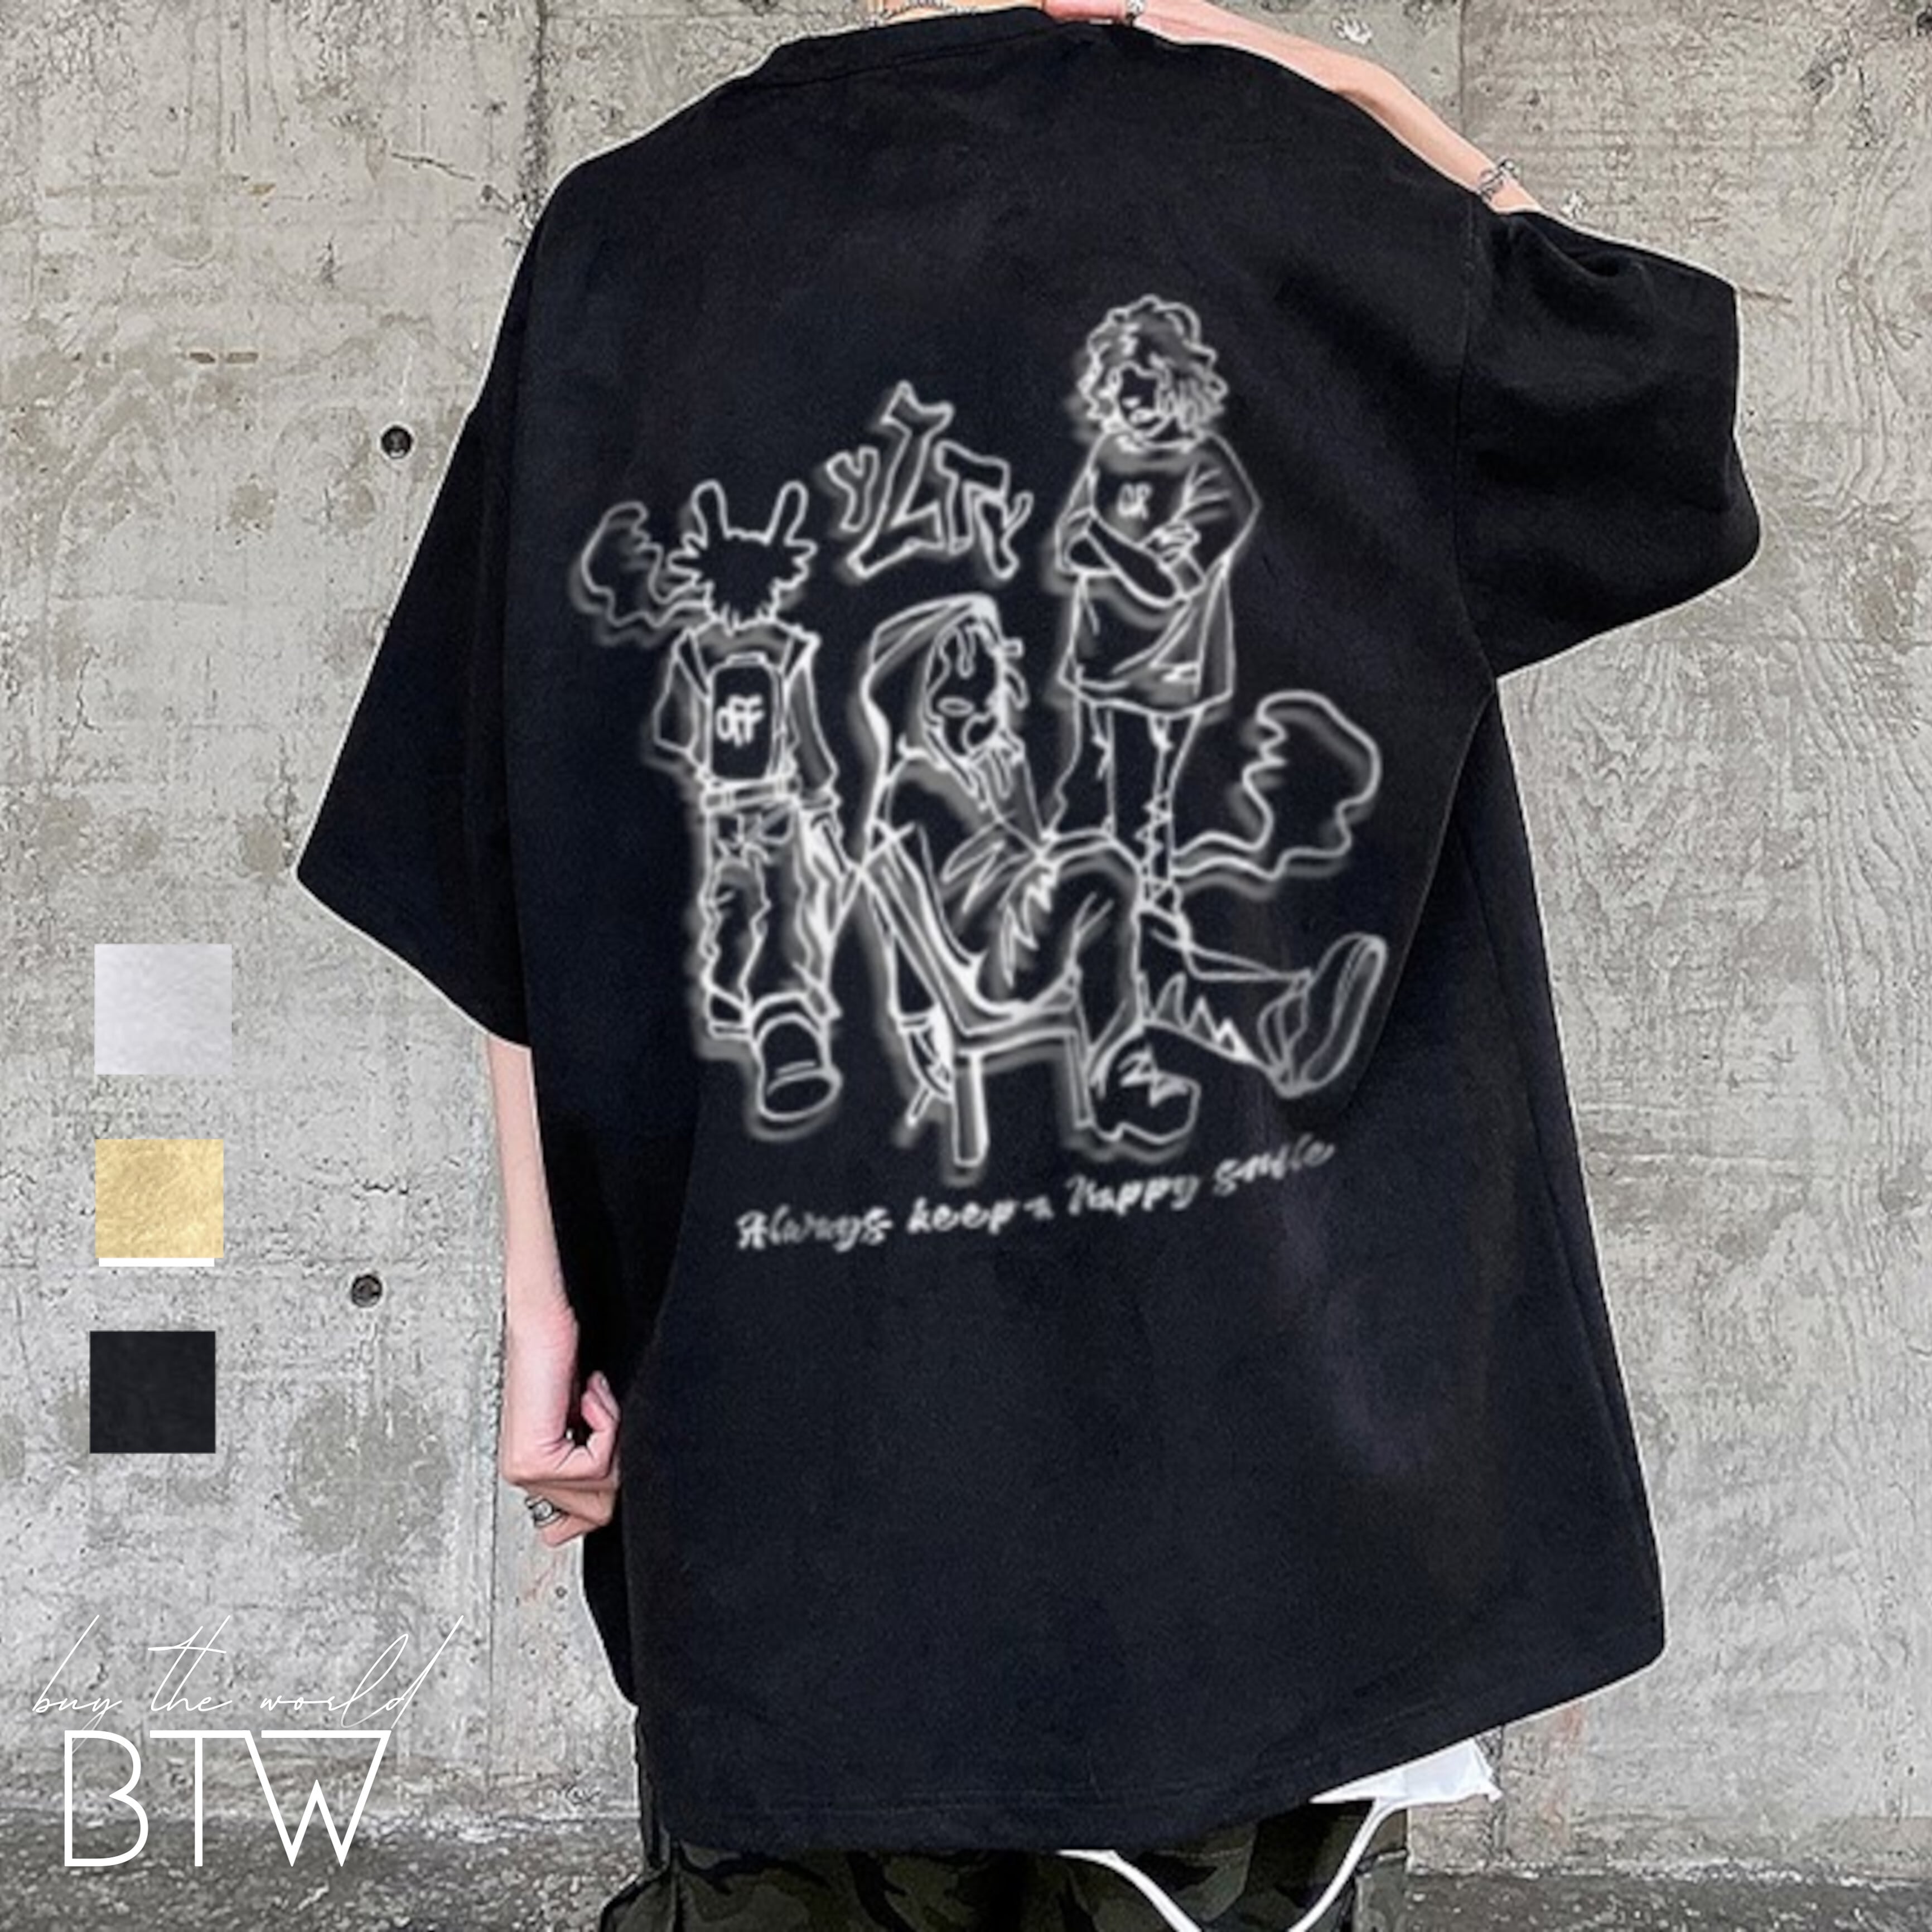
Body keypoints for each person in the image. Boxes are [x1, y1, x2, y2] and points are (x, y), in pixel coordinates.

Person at [294, 0, 1760, 1924]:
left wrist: (541, 1306)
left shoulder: (625, 236)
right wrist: (1391, 112)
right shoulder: (1282, 168)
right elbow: (1648, 406)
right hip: (1264, 1458)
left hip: (791, 1429)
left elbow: (502, 827)